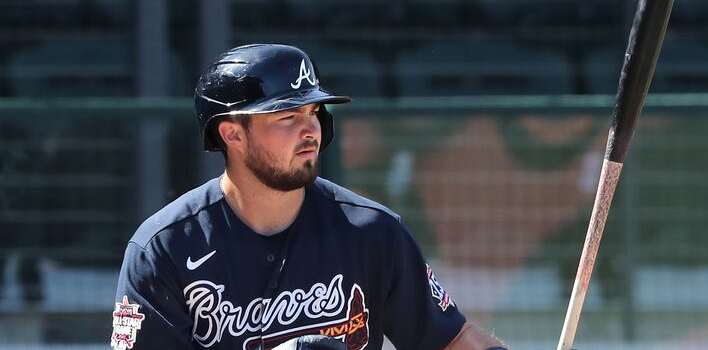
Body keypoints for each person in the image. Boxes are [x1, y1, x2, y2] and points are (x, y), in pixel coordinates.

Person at [112, 44, 509, 350]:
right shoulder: (163, 248)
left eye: (314, 112)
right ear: (231, 134)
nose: (310, 131)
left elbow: (451, 339)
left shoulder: (372, 231)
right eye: (287, 117)